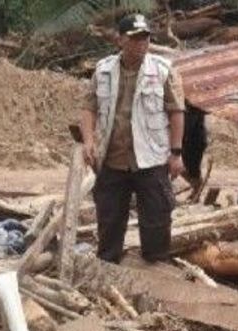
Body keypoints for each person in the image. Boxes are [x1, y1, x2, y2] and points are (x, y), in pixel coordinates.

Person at [80, 13, 186, 263]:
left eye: (145, 38)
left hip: (151, 159)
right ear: (120, 40)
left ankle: (157, 267)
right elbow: (88, 107)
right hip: (112, 160)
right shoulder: (104, 70)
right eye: (136, 38)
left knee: (157, 218)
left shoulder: (162, 70)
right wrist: (88, 141)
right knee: (109, 219)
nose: (142, 43)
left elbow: (176, 111)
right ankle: (108, 267)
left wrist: (176, 153)